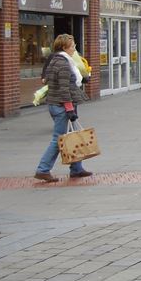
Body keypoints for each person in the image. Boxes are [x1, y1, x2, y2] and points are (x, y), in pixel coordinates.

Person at [34, 34, 92, 182]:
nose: (74, 49)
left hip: (55, 104)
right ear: (64, 47)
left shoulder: (55, 60)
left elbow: (50, 80)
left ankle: (76, 168)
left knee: (73, 135)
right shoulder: (64, 64)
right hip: (62, 106)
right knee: (58, 139)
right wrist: (69, 109)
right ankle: (43, 169)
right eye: (72, 46)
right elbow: (64, 89)